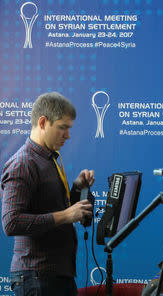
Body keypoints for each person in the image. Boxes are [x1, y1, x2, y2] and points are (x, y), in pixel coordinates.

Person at [1, 92, 95, 296]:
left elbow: (52, 208)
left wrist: (77, 188)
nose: (68, 135)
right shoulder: (23, 163)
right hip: (37, 278)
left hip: (54, 276)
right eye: (63, 127)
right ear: (43, 122)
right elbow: (11, 222)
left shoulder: (49, 159)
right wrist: (66, 216)